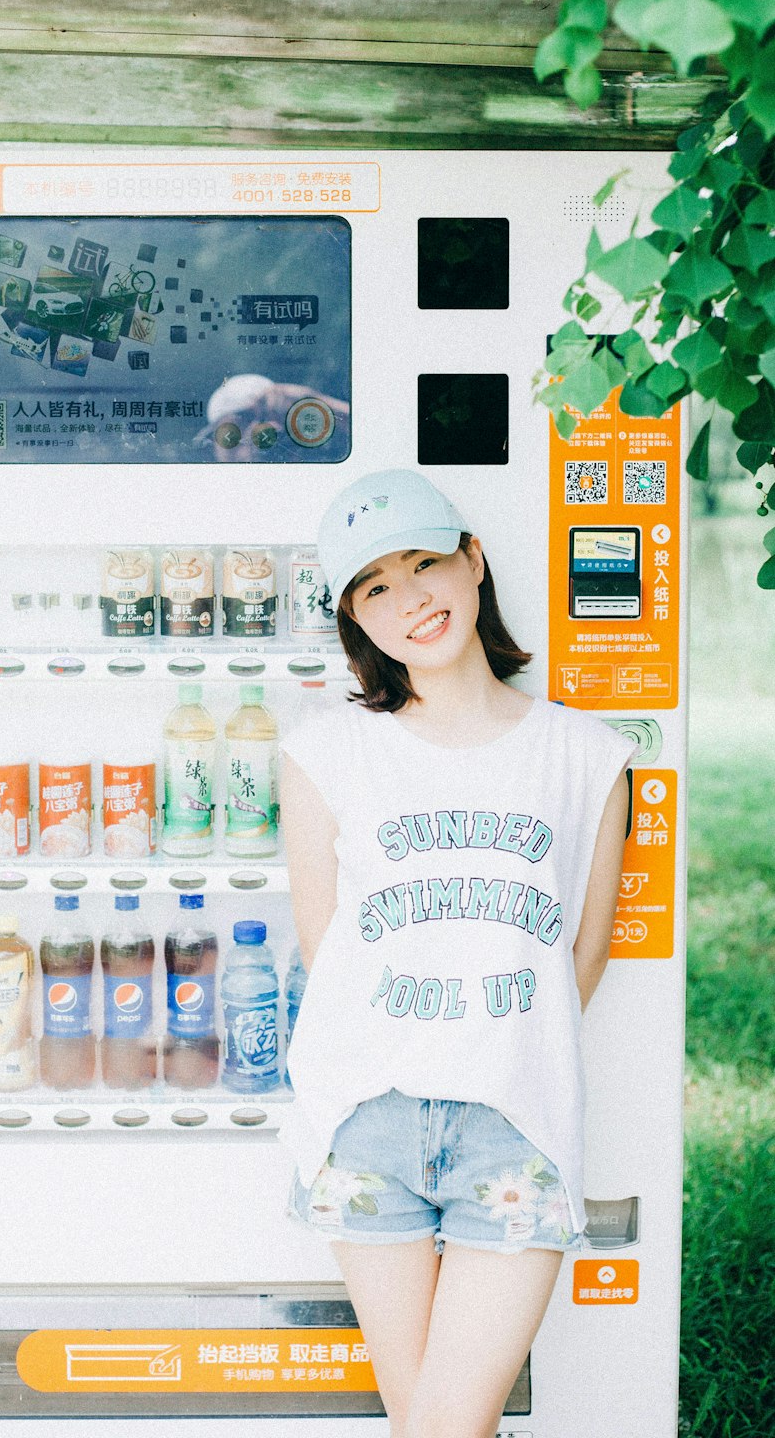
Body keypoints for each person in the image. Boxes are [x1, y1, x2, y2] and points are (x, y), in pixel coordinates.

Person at [278, 468, 633, 1438]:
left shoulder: (587, 755)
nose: (410, 599)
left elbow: (583, 954)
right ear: (356, 618)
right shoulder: (325, 751)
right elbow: (328, 948)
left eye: (424, 563)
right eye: (375, 586)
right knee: (431, 1425)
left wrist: (490, 1044)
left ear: (472, 562)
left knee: (441, 1426)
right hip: (368, 1129)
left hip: (513, 1124)